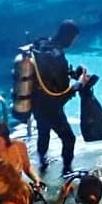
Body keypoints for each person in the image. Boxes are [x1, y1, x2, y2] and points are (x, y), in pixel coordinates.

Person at [28, 19, 84, 174]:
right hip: (50, 107)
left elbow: (49, 76)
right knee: (69, 139)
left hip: (36, 102)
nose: (72, 43)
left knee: (43, 132)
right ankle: (67, 171)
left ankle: (42, 165)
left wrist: (72, 73)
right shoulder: (56, 54)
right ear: (68, 36)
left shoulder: (43, 45)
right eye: (73, 39)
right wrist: (78, 84)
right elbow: (59, 93)